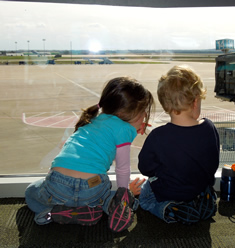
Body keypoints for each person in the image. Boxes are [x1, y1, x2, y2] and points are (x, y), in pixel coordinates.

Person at [25, 77, 154, 232]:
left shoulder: (92, 118)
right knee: (106, 197)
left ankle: (51, 213)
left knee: (31, 192)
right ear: (129, 113)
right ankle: (112, 206)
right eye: (143, 112)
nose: (144, 116)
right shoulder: (124, 130)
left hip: (58, 184)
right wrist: (124, 192)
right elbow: (123, 167)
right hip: (92, 188)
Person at [138, 65, 220, 225]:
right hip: (198, 187)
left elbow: (145, 168)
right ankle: (203, 202)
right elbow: (213, 163)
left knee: (145, 195)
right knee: (199, 185)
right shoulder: (209, 128)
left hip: (170, 191)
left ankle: (169, 209)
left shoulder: (158, 136)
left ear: (165, 105)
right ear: (196, 102)